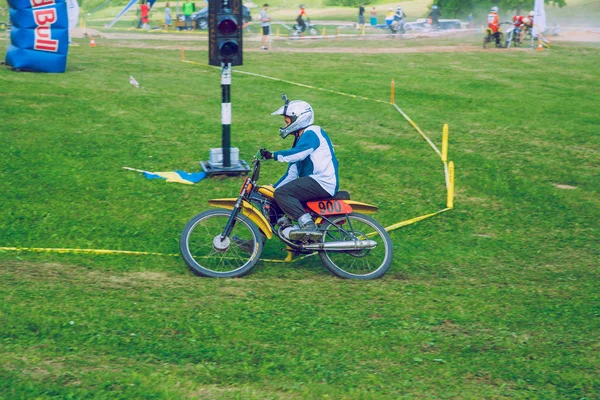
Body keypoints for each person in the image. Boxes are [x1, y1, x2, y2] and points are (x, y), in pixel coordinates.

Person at [260, 96, 339, 241]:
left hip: (322, 182)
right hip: (314, 182)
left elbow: (299, 154)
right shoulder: (300, 139)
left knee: (282, 194)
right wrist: (272, 189)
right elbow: (292, 172)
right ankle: (255, 242)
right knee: (275, 199)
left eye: (287, 121)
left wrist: (273, 155)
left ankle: (308, 225)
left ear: (299, 119)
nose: (285, 124)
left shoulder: (312, 132)